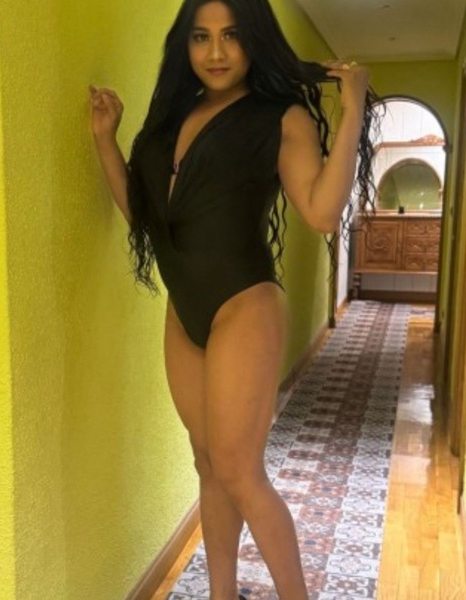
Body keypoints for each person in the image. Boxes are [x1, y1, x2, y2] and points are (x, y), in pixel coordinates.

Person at [89, 1, 377, 598]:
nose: (216, 52)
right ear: (184, 44)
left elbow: (322, 212)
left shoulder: (278, 117)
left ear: (254, 41)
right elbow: (146, 221)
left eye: (231, 36)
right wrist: (105, 142)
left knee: (240, 471)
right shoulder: (172, 117)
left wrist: (352, 110)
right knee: (208, 464)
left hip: (244, 304)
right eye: (201, 37)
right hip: (184, 311)